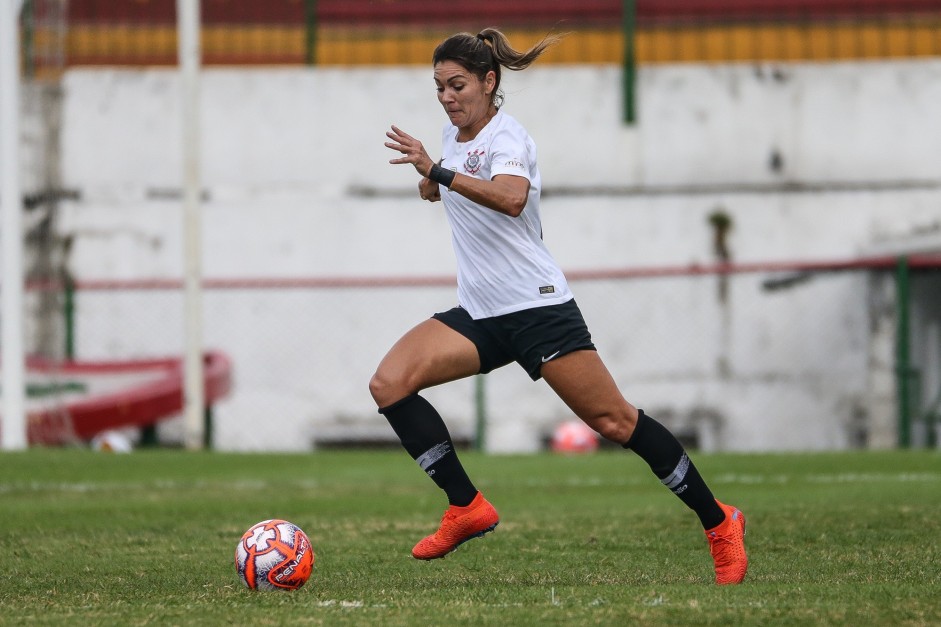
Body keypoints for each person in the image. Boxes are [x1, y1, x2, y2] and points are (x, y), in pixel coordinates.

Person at [371, 28, 748, 585]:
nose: (446, 98)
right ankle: (466, 506)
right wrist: (431, 179)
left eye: (457, 85)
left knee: (615, 421)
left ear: (488, 81)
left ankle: (720, 524)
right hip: (481, 312)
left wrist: (441, 173)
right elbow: (446, 188)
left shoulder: (508, 138)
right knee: (390, 383)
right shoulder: (454, 139)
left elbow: (510, 197)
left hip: (536, 308)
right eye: (438, 87)